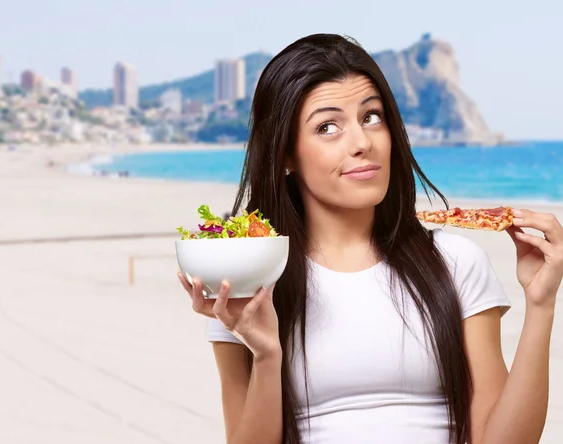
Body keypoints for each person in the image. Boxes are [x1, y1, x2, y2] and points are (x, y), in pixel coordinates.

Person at [177, 33, 563, 444]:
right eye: (327, 127)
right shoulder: (246, 283)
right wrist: (268, 355)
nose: (362, 143)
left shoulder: (456, 261)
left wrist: (541, 303)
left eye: (371, 116)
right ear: (286, 154)